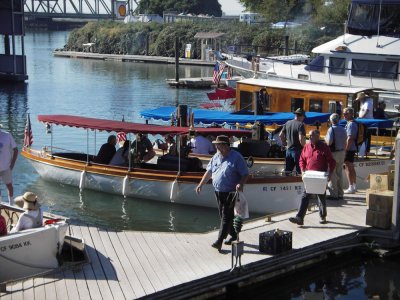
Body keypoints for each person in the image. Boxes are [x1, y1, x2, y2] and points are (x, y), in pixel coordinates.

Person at [195, 135, 249, 252]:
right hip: (218, 191)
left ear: (225, 145)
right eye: (216, 144)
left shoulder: (236, 157)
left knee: (225, 217)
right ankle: (234, 234)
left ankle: (219, 241)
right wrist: (201, 184)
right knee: (223, 215)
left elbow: (245, 173)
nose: (216, 146)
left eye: (218, 144)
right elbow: (209, 171)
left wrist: (241, 184)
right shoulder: (215, 156)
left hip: (230, 192)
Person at [289, 130, 336, 225]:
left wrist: (330, 174)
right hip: (310, 175)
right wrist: (302, 171)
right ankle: (299, 218)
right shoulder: (306, 146)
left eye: (312, 136)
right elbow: (301, 160)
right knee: (305, 196)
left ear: (317, 136)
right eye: (309, 136)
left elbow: (332, 161)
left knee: (321, 196)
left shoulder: (324, 147)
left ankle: (323, 216)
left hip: (320, 176)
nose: (309, 137)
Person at [325, 113, 347, 200]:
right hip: (342, 152)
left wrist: (326, 140)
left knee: (332, 173)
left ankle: (334, 194)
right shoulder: (343, 129)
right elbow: (345, 141)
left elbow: (329, 142)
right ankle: (341, 193)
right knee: (339, 173)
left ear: (331, 120)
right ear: (338, 120)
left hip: (333, 153)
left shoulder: (331, 129)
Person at [279, 108, 306, 175]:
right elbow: (301, 139)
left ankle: (286, 184)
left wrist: (284, 142)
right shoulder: (300, 125)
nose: (304, 118)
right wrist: (305, 147)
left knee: (287, 172)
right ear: (301, 116)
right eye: (303, 117)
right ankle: (299, 185)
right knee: (299, 172)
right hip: (298, 151)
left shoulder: (288, 123)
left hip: (288, 151)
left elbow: (281, 135)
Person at [0, 124, 18, 205]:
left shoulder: (7, 135)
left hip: (6, 166)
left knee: (9, 186)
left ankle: (11, 203)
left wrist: (12, 164)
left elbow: (16, 150)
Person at [343, 107, 358, 194]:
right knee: (351, 167)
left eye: (346, 114)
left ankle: (350, 187)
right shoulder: (351, 123)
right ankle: (354, 186)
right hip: (351, 148)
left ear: (351, 114)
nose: (344, 115)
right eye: (343, 113)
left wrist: (345, 150)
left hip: (349, 148)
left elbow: (350, 138)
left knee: (347, 167)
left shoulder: (351, 124)